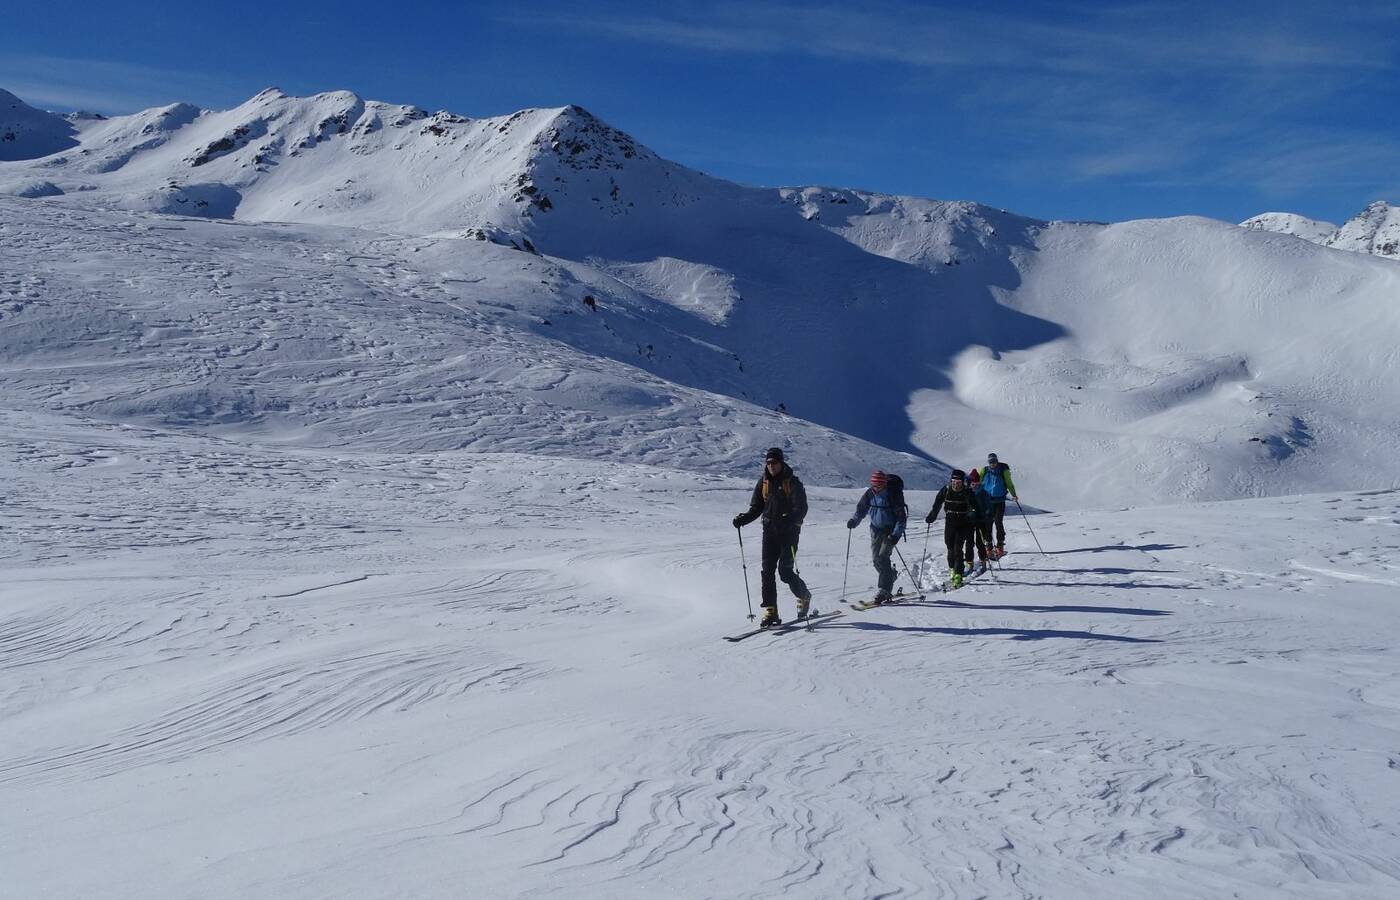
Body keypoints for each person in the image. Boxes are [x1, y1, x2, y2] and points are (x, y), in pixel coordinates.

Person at [733, 447, 812, 627]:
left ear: (781, 463)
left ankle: (804, 596)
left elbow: (802, 508)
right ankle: (770, 611)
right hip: (769, 532)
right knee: (767, 572)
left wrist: (790, 520)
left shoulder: (792, 483)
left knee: (784, 572)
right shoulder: (764, 483)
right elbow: (757, 507)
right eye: (768, 463)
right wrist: (743, 519)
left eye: (774, 462)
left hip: (789, 535)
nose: (771, 466)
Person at [846, 470, 907, 604]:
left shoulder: (892, 495)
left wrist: (896, 534)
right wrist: (854, 521)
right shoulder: (869, 494)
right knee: (876, 560)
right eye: (874, 485)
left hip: (890, 531)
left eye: (879, 485)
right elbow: (861, 510)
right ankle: (890, 576)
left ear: (884, 484)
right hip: (875, 529)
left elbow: (901, 518)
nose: (876, 488)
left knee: (883, 557)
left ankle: (884, 590)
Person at [925, 469, 977, 588]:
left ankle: (958, 573)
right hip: (950, 522)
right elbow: (937, 504)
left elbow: (975, 507)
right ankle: (952, 568)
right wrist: (932, 516)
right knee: (949, 547)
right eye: (954, 481)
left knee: (957, 548)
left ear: (962, 482)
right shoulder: (946, 490)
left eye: (958, 482)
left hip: (963, 522)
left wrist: (973, 514)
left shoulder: (967, 492)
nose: (956, 484)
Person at [979, 453, 1018, 559]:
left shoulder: (1003, 470)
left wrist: (1014, 495)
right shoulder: (984, 470)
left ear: (997, 461)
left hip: (999, 501)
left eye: (994, 461)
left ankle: (1000, 545)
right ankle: (989, 546)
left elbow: (1009, 483)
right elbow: (979, 483)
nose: (993, 464)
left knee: (998, 522)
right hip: (987, 501)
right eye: (991, 462)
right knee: (987, 524)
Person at [966, 468, 993, 573]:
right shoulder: (967, 493)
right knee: (969, 543)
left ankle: (983, 560)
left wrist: (987, 514)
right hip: (969, 521)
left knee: (980, 542)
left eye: (977, 483)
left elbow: (989, 507)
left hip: (981, 521)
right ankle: (969, 562)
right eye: (973, 484)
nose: (975, 486)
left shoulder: (984, 493)